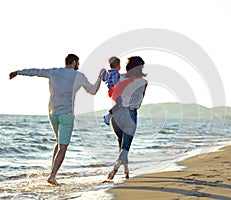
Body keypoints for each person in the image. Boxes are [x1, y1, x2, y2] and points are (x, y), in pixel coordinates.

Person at [9, 54, 105, 185]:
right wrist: (99, 77)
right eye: (78, 63)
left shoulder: (54, 72)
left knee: (59, 143)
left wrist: (18, 72)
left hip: (52, 113)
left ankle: (51, 172)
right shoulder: (78, 76)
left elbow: (36, 72)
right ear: (74, 62)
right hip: (66, 114)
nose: (78, 65)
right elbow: (93, 90)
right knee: (63, 147)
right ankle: (52, 176)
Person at [105, 56, 147, 181]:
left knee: (121, 144)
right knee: (125, 146)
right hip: (130, 113)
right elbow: (141, 98)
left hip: (116, 114)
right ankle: (114, 169)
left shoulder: (120, 78)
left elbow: (112, 93)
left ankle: (126, 172)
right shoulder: (144, 82)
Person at [101, 56, 121, 125]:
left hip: (111, 91)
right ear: (118, 65)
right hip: (115, 90)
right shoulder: (115, 73)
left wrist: (103, 72)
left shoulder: (109, 73)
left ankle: (111, 116)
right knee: (120, 104)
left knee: (119, 104)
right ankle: (108, 116)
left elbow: (104, 79)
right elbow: (116, 83)